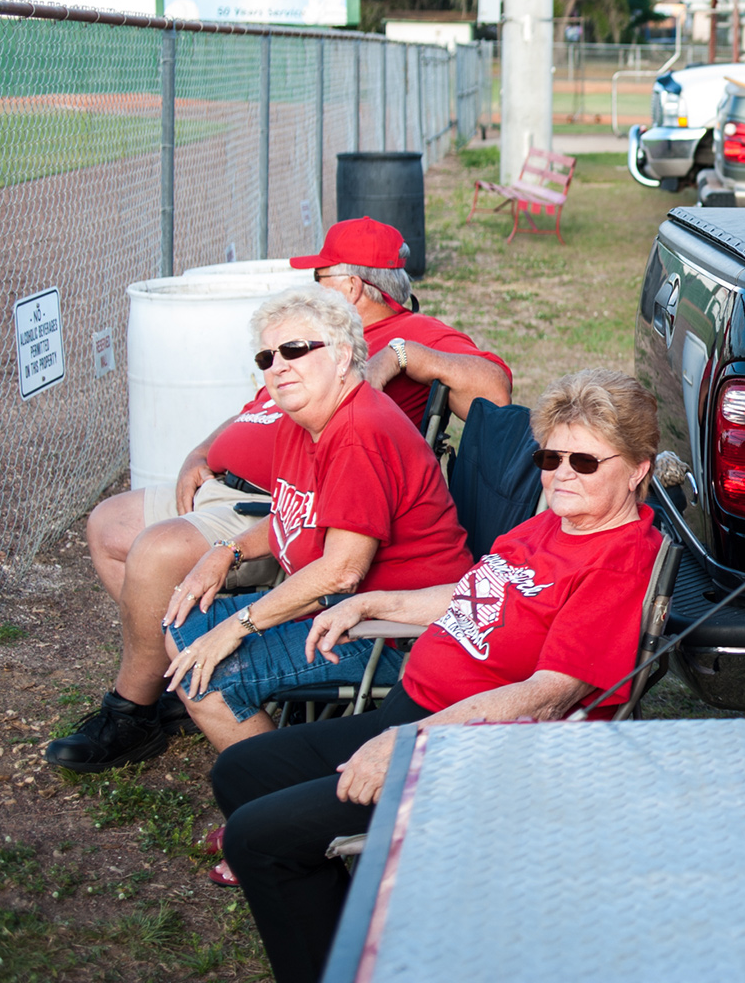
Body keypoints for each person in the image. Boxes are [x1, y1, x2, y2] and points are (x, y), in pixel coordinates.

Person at [208, 369, 665, 983]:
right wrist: (376, 604)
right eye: (549, 456)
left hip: (473, 757)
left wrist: (410, 746)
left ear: (638, 468)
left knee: (256, 840)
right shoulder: (553, 524)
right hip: (412, 713)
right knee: (241, 771)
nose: (560, 474)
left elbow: (548, 693)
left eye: (584, 461)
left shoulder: (617, 561)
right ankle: (359, 926)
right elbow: (478, 592)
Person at [62, 219, 510, 770]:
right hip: (337, 605)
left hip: (388, 631)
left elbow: (343, 570)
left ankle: (279, 796)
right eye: (267, 358)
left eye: (295, 350)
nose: (278, 367)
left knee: (214, 669)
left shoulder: (358, 430)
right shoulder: (307, 421)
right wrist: (226, 553)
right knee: (182, 628)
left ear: (344, 354)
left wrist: (238, 626)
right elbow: (298, 519)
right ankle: (273, 776)